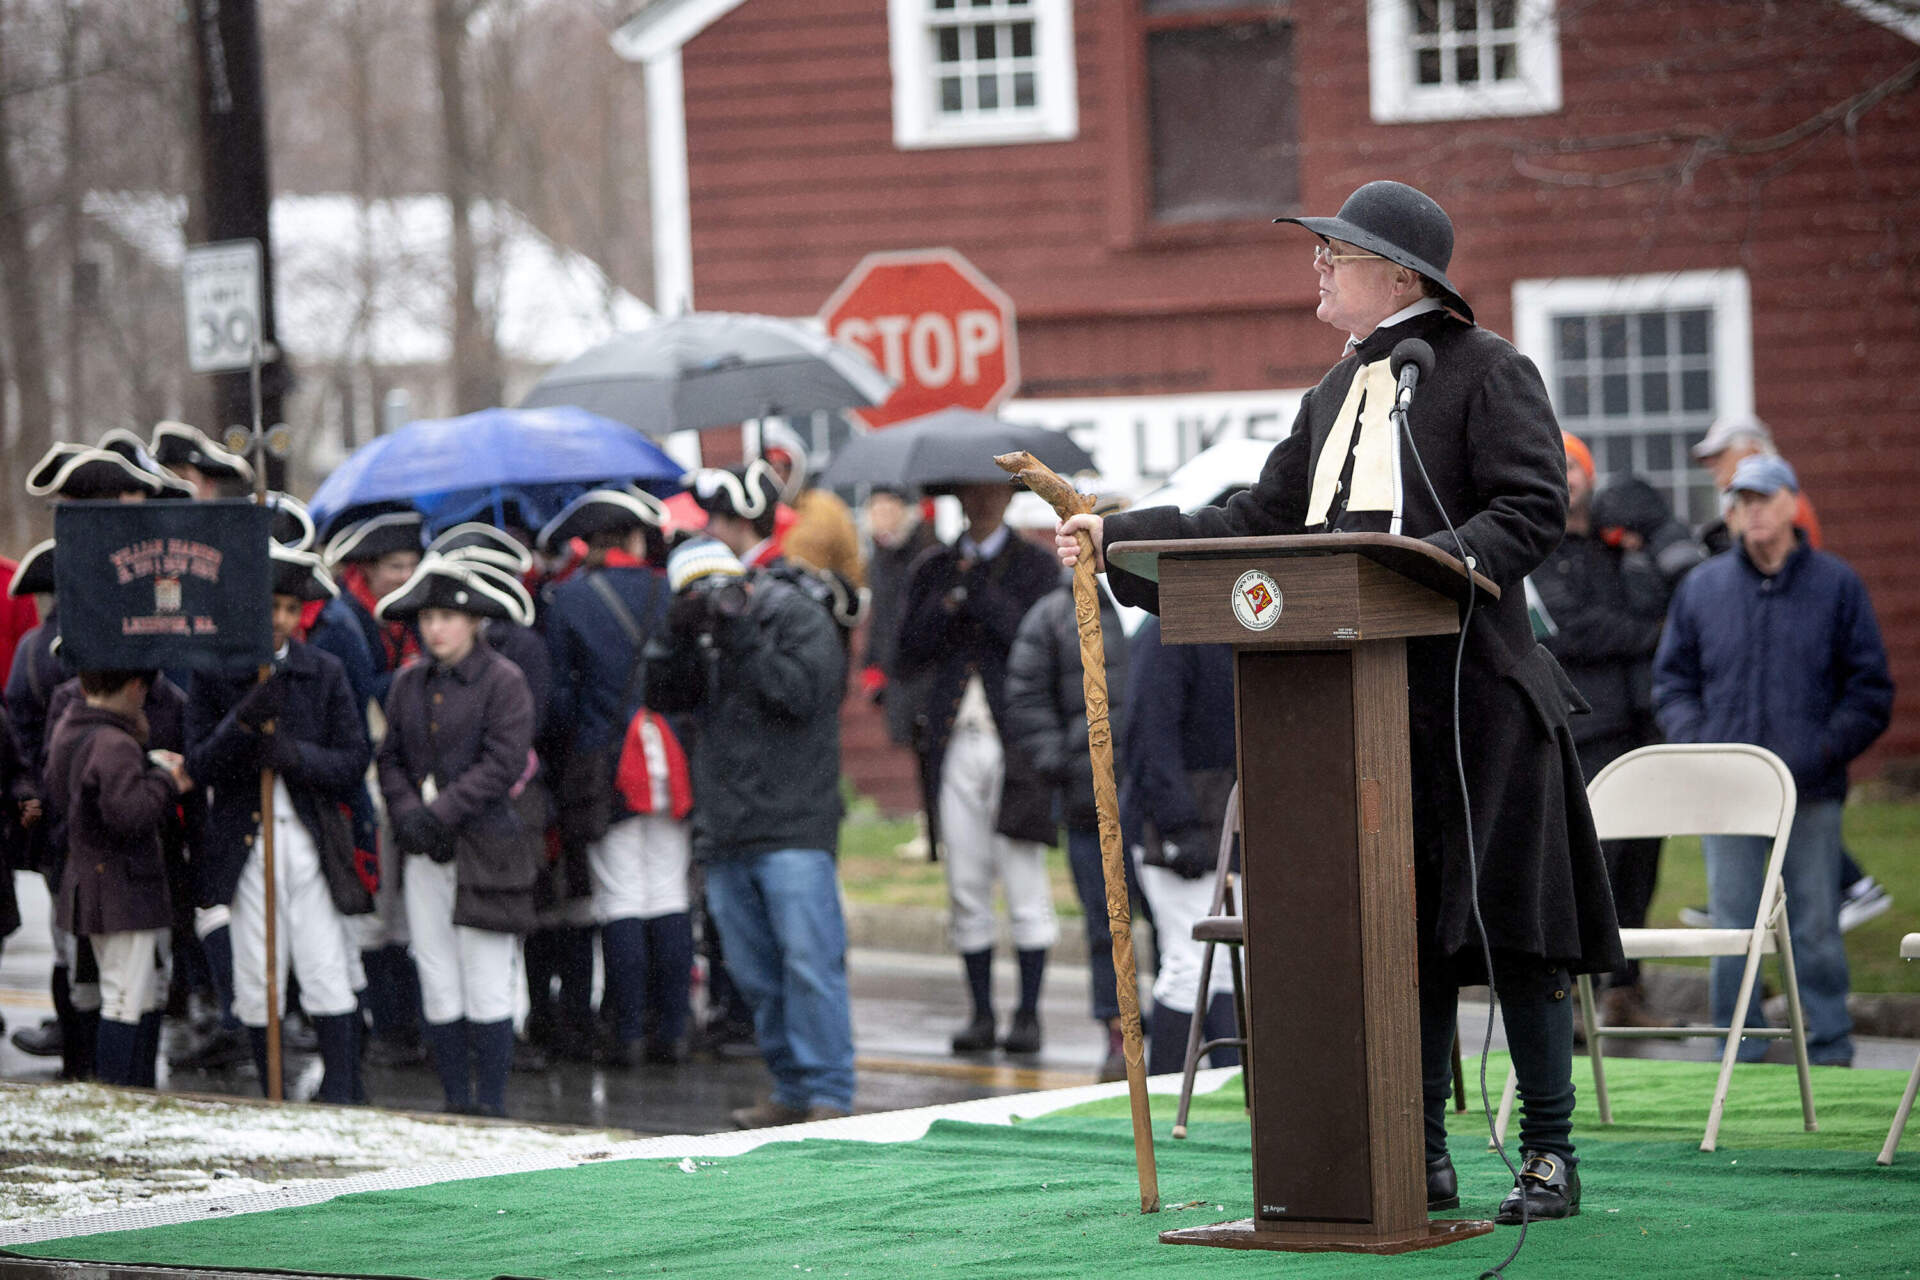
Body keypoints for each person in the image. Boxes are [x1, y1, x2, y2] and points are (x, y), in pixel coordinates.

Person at [1054, 180, 1621, 1224]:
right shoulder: (1335, 391)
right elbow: (1261, 517)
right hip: (1361, 711)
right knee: (1403, 933)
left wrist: (1428, 563)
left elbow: (1533, 507)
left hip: (1479, 700)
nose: (1318, 266)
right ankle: (1422, 1151)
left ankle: (1548, 1150)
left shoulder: (1490, 369)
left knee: (1515, 931)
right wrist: (1120, 536)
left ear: (1399, 274)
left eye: (1337, 253)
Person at [1652, 454, 1892, 1068]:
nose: (1751, 511)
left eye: (1762, 498)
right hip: (1727, 794)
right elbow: (1673, 684)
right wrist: (1700, 747)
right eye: (1740, 502)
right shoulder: (1702, 589)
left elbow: (1869, 693)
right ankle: (1736, 1049)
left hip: (1808, 790)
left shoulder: (1837, 585)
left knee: (1812, 921)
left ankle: (1831, 1045)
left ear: (1791, 503)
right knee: (1732, 923)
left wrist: (1814, 755)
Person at [644, 532, 855, 1127]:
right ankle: (789, 1088)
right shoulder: (696, 635)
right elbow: (660, 695)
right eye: (696, 594)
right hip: (726, 827)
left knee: (810, 965)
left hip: (794, 825)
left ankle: (830, 1095)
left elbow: (802, 694)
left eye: (721, 588)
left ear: (745, 580)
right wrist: (674, 635)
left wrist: (738, 637)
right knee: (755, 972)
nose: (713, 601)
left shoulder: (795, 616)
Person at [186, 547, 374, 1103]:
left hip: (311, 841)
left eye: (292, 608)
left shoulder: (323, 671)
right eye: (271, 606)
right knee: (255, 970)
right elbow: (198, 763)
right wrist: (243, 722)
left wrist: (296, 755)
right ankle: (270, 1087)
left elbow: (352, 759)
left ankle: (343, 1087)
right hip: (245, 840)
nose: (281, 619)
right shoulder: (215, 670)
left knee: (323, 961)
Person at [1530, 433, 1703, 1027]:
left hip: (1643, 726)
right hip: (1585, 732)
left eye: (1575, 466)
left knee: (1642, 864)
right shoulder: (1535, 548)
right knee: (1592, 863)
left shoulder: (1618, 544)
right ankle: (1571, 999)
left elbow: (1674, 596)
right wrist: (1655, 634)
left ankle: (1626, 992)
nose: (1568, 477)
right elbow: (1570, 629)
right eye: (1558, 467)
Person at [897, 483, 1061, 1057]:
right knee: (965, 883)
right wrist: (949, 600)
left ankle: (1029, 1011)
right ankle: (981, 1011)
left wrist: (980, 595)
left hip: (1015, 744)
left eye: (990, 494)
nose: (980, 503)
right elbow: (906, 650)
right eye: (970, 494)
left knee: (1023, 878)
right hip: (953, 739)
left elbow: (1036, 638)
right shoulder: (934, 567)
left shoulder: (1037, 566)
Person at [375, 556, 541, 1116]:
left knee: (487, 976)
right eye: (427, 617)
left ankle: (490, 1107)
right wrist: (407, 815)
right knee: (438, 973)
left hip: (488, 851)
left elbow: (503, 762)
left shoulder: (504, 681)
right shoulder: (407, 683)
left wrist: (438, 813)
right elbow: (390, 757)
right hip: (424, 850)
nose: (435, 628)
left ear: (473, 622)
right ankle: (454, 1103)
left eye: (447, 616)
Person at [536, 490, 694, 1067]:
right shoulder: (668, 589)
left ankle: (626, 1033)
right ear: (632, 538)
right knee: (670, 892)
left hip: (603, 765)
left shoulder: (567, 600)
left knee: (622, 896)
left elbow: (558, 702)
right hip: (670, 758)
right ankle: (673, 1031)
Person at [1002, 568, 1133, 1079]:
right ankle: (1118, 1035)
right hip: (1087, 800)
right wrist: (1066, 761)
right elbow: (1025, 696)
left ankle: (1175, 1028)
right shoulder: (1054, 614)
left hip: (1154, 796)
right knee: (1105, 926)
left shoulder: (1152, 601)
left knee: (1173, 927)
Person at [44, 667, 193, 1087]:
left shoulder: (70, 727)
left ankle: (129, 1091)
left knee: (132, 994)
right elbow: (131, 814)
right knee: (125, 998)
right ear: (133, 686)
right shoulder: (114, 743)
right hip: (124, 889)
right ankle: (118, 1093)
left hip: (88, 880)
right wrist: (166, 780)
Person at [1116, 616, 1241, 1077]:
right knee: (1190, 964)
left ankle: (1234, 1092)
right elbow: (1149, 737)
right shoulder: (1167, 628)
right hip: (1173, 823)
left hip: (1228, 820)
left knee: (1231, 966)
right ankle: (1169, 1094)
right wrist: (1177, 826)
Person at [761, 420, 865, 586]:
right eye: (767, 468)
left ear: (796, 468)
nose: (774, 476)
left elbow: (851, 562)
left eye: (780, 468)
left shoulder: (826, 508)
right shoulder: (750, 515)